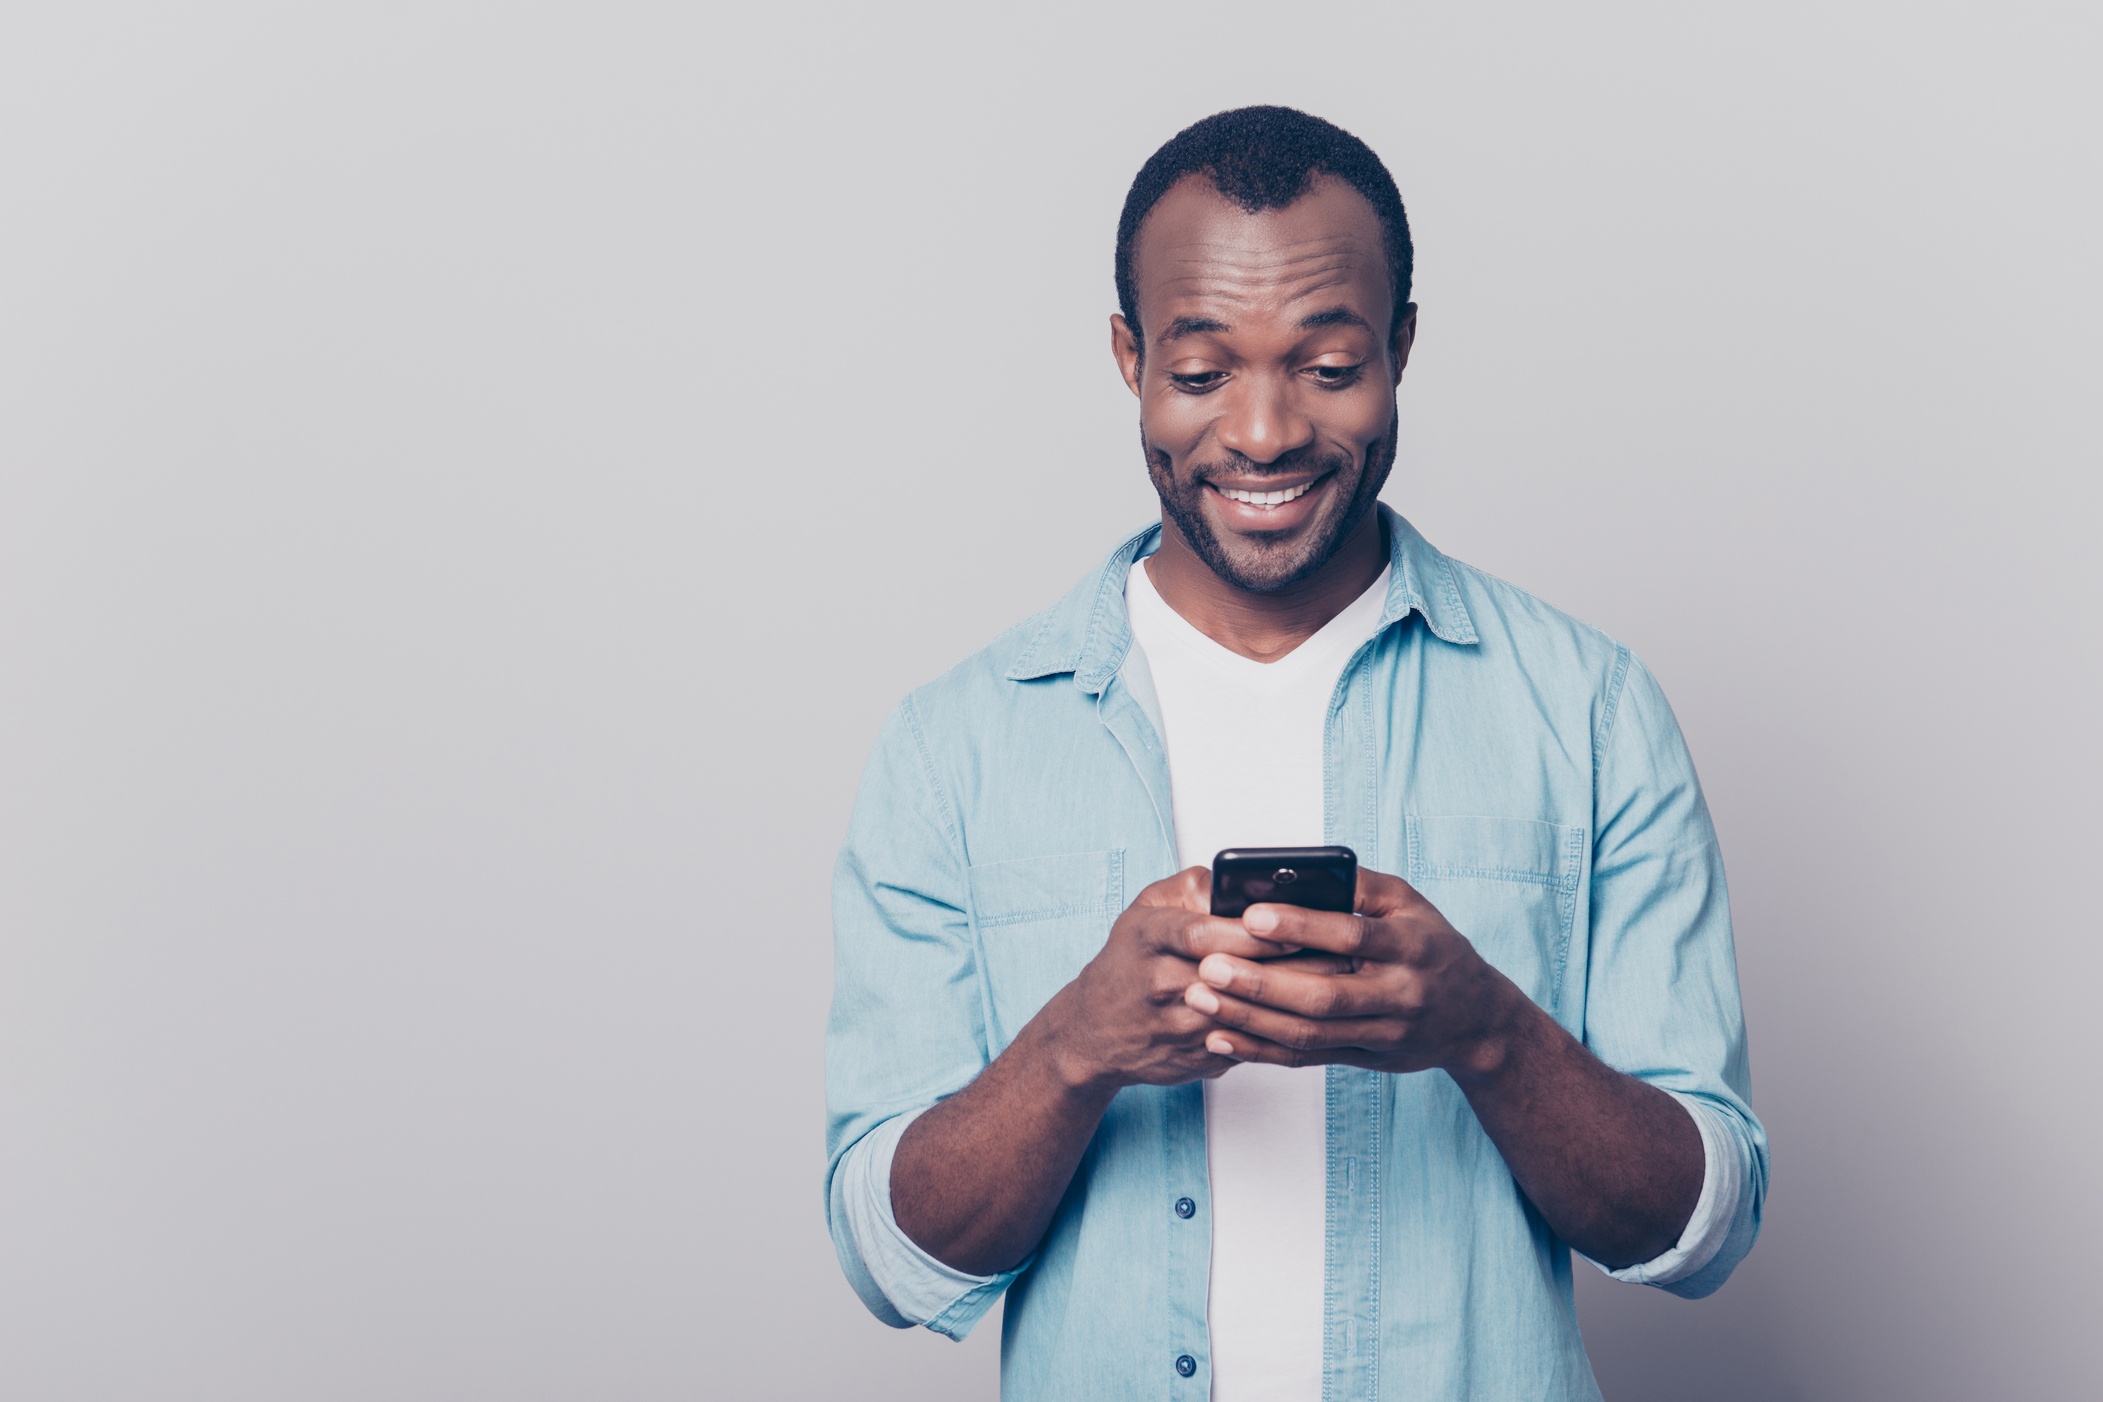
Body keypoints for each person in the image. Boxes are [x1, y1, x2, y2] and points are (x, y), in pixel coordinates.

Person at [823, 105, 1766, 1402]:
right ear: (1128, 357)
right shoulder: (957, 743)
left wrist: (1483, 1027)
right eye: (1202, 373)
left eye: (1328, 366)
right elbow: (892, 1263)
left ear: (1402, 349)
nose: (1263, 433)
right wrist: (1075, 1047)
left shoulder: (1589, 706)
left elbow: (1701, 1231)